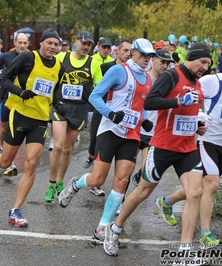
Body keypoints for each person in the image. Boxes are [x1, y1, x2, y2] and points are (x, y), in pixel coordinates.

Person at [101, 43, 211, 257]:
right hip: (163, 146)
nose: (206, 67)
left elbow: (186, 113)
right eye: (203, 62)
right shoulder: (172, 75)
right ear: (192, 58)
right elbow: (150, 102)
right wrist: (178, 100)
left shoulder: (196, 82)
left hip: (187, 148)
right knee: (143, 191)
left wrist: (198, 125)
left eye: (208, 64)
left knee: (195, 193)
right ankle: (114, 228)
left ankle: (185, 250)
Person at [58, 38, 155, 245]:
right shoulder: (118, 71)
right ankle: (76, 184)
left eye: (150, 56)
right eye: (144, 55)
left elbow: (144, 105)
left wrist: (145, 119)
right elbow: (95, 96)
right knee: (98, 180)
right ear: (133, 53)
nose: (148, 59)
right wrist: (110, 114)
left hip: (131, 135)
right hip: (110, 131)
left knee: (121, 181)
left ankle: (101, 227)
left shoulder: (148, 79)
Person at [0, 28, 65, 227]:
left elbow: (55, 91)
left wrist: (59, 104)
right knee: (6, 160)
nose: (53, 47)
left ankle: (15, 210)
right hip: (19, 115)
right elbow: (3, 79)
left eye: (56, 44)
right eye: (49, 43)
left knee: (31, 163)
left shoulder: (59, 66)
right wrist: (20, 92)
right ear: (41, 43)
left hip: (40, 120)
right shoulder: (27, 58)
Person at [155, 47, 222, 249]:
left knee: (197, 189)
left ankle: (167, 201)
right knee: (212, 185)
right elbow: (190, 93)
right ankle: (205, 234)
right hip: (206, 140)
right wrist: (197, 118)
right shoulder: (211, 81)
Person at [43, 31, 102, 203]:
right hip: (60, 106)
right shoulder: (61, 57)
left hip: (80, 109)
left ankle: (61, 181)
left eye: (89, 45)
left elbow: (99, 87)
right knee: (58, 146)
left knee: (68, 149)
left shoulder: (93, 64)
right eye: (83, 43)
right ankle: (51, 184)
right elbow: (50, 75)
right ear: (75, 42)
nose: (85, 47)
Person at [83, 39, 133, 169]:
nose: (128, 54)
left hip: (121, 113)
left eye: (130, 51)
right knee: (94, 141)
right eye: (125, 50)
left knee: (108, 147)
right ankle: (91, 155)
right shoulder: (106, 67)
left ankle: (96, 182)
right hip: (102, 109)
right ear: (118, 51)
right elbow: (96, 91)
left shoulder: (134, 71)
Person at [130, 49, 175, 187]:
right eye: (162, 62)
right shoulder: (142, 78)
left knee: (145, 171)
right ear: (153, 60)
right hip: (136, 130)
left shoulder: (168, 83)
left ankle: (138, 176)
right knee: (125, 170)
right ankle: (121, 200)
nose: (165, 66)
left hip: (153, 134)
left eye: (168, 64)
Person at [0, 32, 30, 176]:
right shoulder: (6, 57)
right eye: (20, 43)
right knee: (4, 128)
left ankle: (10, 157)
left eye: (25, 43)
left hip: (22, 99)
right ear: (15, 43)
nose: (22, 46)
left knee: (19, 129)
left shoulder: (31, 58)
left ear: (28, 44)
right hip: (7, 97)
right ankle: (3, 150)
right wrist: (4, 78)